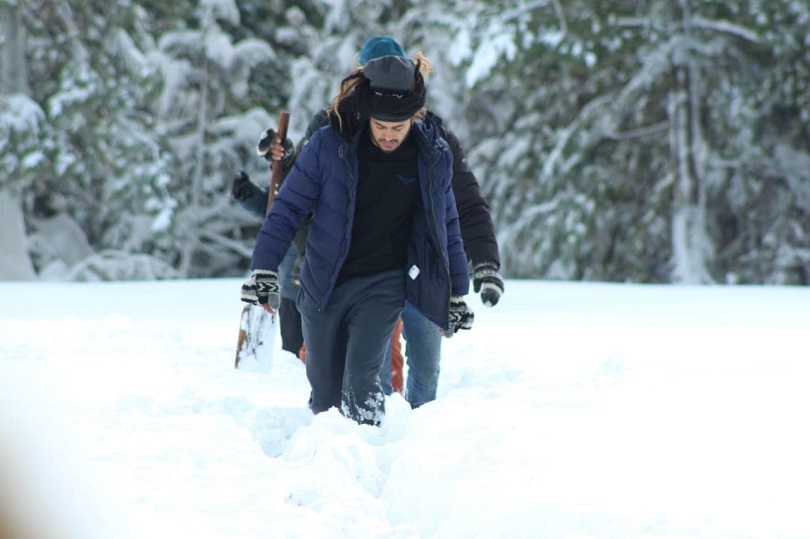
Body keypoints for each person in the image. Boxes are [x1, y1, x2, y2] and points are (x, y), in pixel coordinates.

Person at [240, 36, 504, 408]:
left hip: (395, 276)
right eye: (382, 124)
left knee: (374, 377)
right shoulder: (330, 135)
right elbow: (291, 203)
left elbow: (454, 215)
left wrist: (462, 285)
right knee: (327, 391)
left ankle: (404, 431)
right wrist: (264, 265)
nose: (388, 134)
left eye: (398, 125)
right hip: (327, 275)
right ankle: (340, 437)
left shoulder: (434, 149)